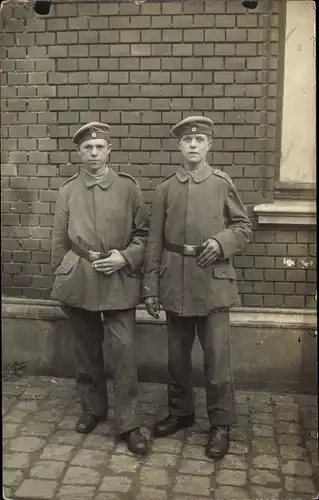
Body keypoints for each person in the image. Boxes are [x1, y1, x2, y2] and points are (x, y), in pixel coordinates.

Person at [143, 116, 252, 460]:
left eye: (200, 140)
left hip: (213, 283)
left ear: (209, 146)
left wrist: (222, 243)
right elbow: (154, 241)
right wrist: (150, 286)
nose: (193, 145)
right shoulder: (165, 189)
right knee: (177, 358)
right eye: (187, 141)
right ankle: (181, 412)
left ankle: (221, 424)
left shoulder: (221, 183)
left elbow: (243, 226)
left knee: (217, 359)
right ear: (179, 147)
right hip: (175, 281)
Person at [51, 122, 149, 455]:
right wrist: (63, 274)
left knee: (123, 351)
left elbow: (144, 236)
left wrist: (125, 257)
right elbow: (59, 240)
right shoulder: (67, 191)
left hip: (119, 278)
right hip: (80, 277)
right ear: (79, 153)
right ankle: (93, 409)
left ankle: (130, 422)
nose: (93, 153)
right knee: (86, 348)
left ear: (109, 151)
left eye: (99, 148)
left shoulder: (128, 188)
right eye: (87, 148)